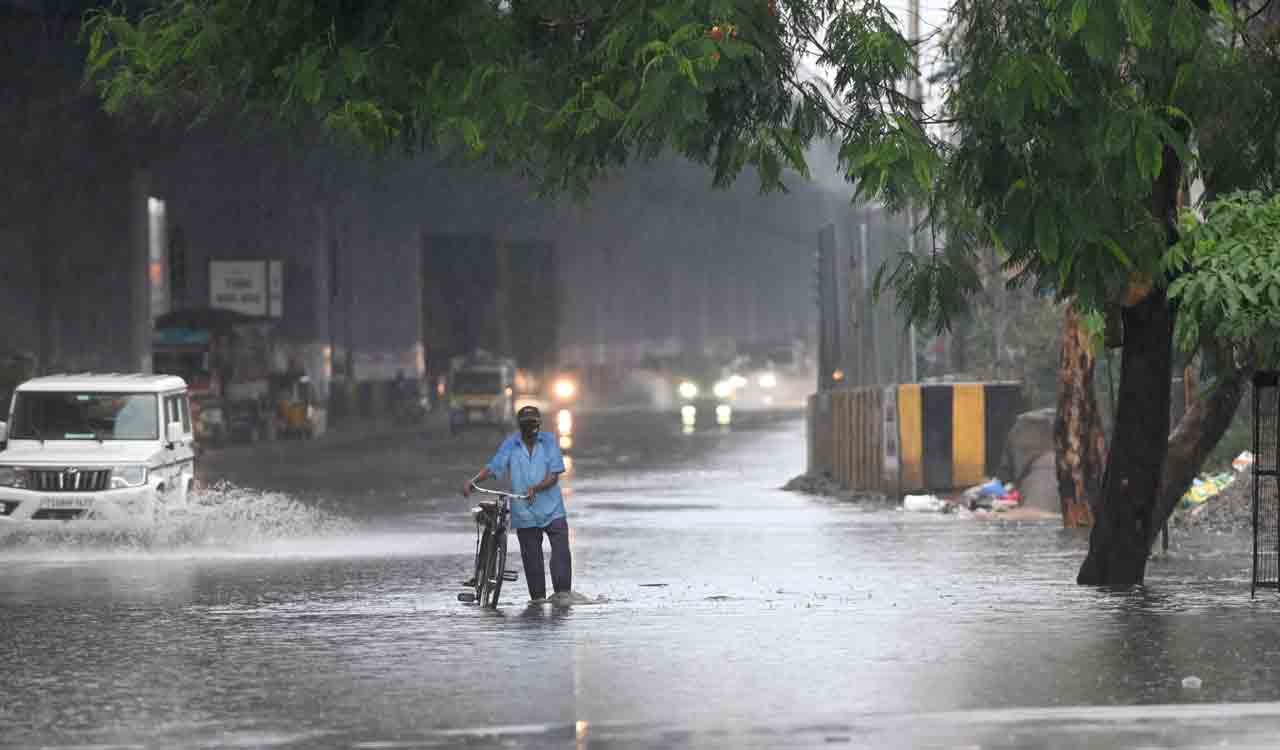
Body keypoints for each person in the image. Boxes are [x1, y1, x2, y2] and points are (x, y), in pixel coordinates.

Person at [463, 405, 570, 604]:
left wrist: (536, 488)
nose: (531, 429)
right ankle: (538, 603)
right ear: (520, 427)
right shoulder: (511, 445)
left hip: (553, 510)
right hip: (524, 512)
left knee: (561, 555)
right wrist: (473, 482)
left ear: (539, 425)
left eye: (534, 424)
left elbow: (554, 475)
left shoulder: (549, 442)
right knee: (533, 566)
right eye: (527, 425)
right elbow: (494, 468)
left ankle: (563, 598)